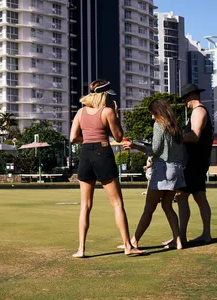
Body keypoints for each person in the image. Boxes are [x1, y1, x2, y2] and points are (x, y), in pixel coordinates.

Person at [70, 79, 144, 257]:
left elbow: (73, 138)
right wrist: (116, 116)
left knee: (85, 206)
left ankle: (81, 249)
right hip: (102, 153)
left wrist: (88, 140)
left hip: (86, 154)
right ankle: (128, 246)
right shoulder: (108, 112)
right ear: (104, 95)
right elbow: (119, 137)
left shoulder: (80, 112)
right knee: (117, 203)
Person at [121, 99, 185, 250]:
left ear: (157, 113)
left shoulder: (159, 125)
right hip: (176, 170)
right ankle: (178, 241)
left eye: (152, 114)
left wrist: (134, 145)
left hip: (162, 169)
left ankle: (134, 241)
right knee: (167, 206)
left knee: (149, 208)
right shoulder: (176, 127)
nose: (151, 117)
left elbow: (155, 150)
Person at [171, 83, 213, 246]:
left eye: (184, 99)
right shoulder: (200, 111)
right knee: (199, 196)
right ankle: (205, 234)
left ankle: (181, 236)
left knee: (181, 196)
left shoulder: (198, 111)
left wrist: (174, 135)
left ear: (190, 96)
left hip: (193, 162)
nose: (184, 103)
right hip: (198, 161)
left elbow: (194, 136)